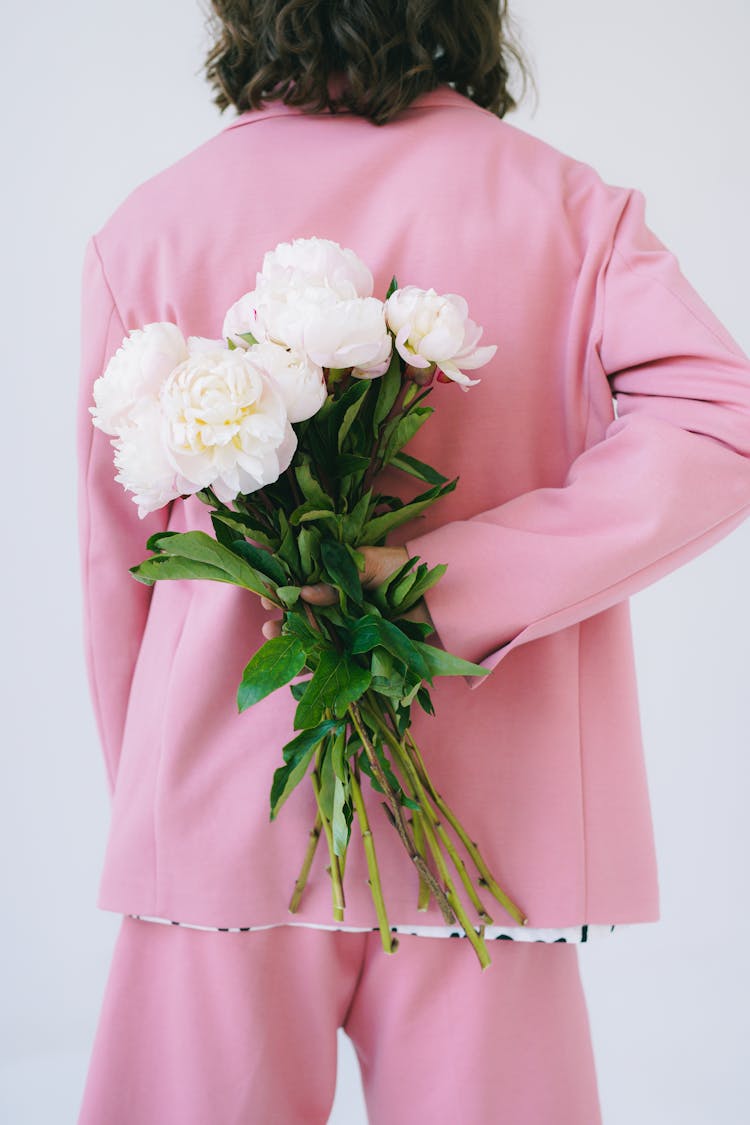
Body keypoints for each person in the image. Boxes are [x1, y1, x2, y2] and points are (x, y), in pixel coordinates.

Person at [75, 2, 750, 1123]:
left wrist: (158, 812)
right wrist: (462, 586)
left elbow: (121, 565)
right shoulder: (565, 207)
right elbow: (721, 424)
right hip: (485, 833)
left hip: (224, 806)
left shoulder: (154, 224)